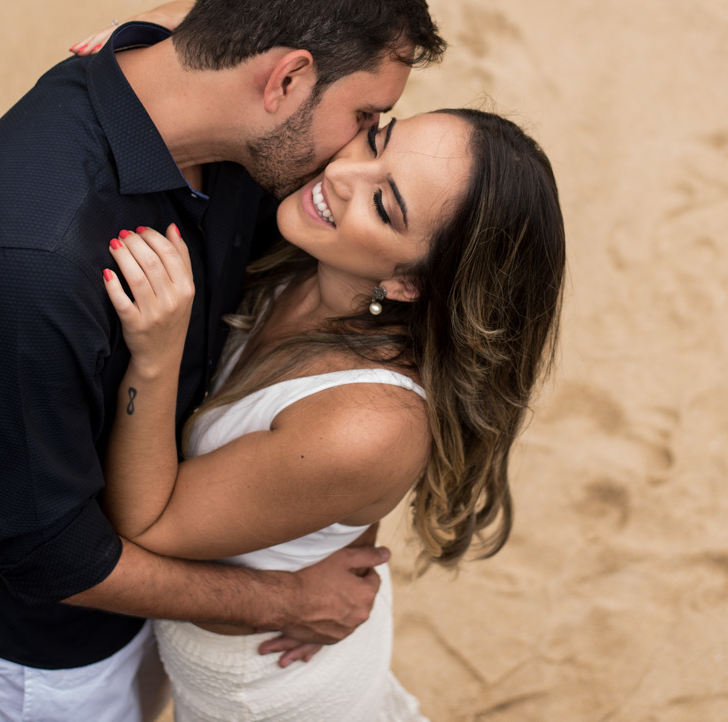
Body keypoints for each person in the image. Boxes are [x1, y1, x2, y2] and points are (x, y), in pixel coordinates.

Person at [0, 0, 445, 720]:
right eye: (367, 114)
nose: (357, 152)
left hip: (157, 595)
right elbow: (49, 557)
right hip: (48, 652)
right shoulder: (31, 267)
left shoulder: (225, 116)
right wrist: (283, 600)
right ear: (287, 80)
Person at [98, 107, 565, 720]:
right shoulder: (311, 259)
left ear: (408, 285)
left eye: (384, 206)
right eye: (375, 139)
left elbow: (147, 529)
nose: (344, 174)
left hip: (265, 691)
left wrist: (155, 360)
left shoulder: (367, 424)